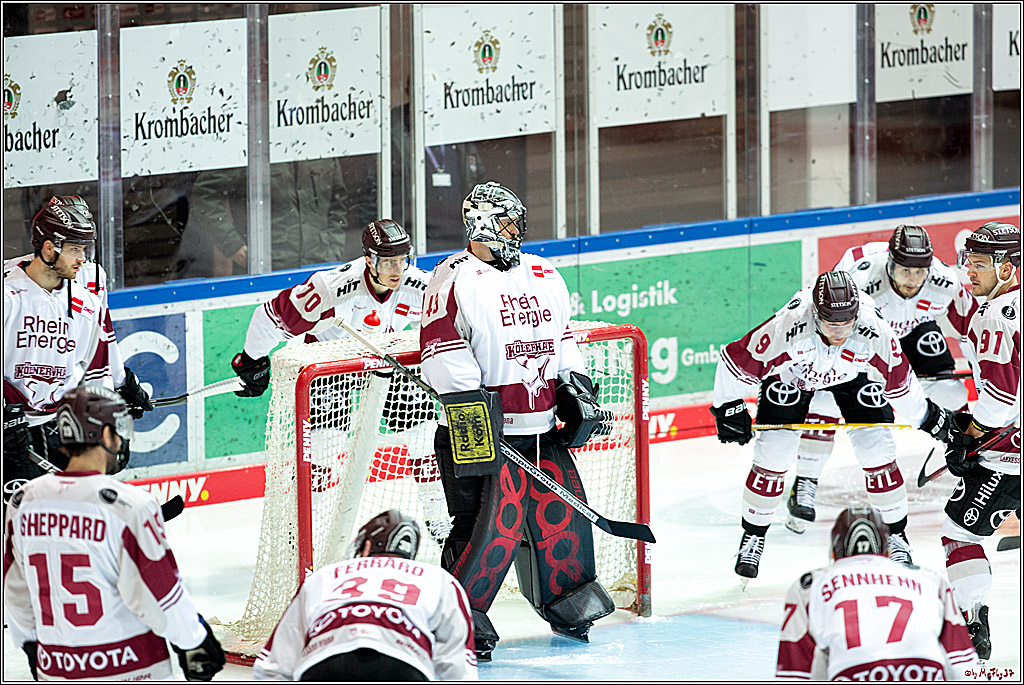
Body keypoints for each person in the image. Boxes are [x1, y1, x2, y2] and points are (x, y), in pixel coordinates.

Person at [419, 181, 616, 662]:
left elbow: (563, 339)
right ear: (482, 225)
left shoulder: (545, 273)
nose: (517, 230)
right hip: (478, 428)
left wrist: (575, 387)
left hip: (542, 426)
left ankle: (569, 600)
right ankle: (462, 617)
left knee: (562, 518)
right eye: (507, 221)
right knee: (484, 526)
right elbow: (441, 357)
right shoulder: (452, 279)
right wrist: (479, 418)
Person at [710, 270, 951, 582]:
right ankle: (752, 537)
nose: (838, 331)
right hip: (793, 376)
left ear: (855, 316)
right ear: (815, 313)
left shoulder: (874, 330)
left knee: (876, 448)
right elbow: (734, 360)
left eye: (845, 323)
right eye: (830, 323)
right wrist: (728, 406)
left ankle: (897, 537)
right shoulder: (790, 326)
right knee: (773, 453)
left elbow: (901, 385)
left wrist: (929, 419)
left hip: (852, 377)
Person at [2, 387, 225, 681]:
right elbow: (159, 593)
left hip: (55, 667)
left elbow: (14, 587)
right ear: (106, 436)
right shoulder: (130, 505)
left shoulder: (23, 502)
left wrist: (31, 643)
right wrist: (194, 640)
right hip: (130, 668)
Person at [786, 225, 979, 533]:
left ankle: (970, 460)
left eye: (920, 273)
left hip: (911, 328)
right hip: (860, 336)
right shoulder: (861, 280)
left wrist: (986, 382)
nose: (913, 281)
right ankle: (805, 480)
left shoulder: (943, 281)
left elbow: (974, 330)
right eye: (905, 272)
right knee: (827, 400)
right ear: (889, 263)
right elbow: (830, 328)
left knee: (953, 394)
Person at [4, 196, 152, 503]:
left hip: (56, 426)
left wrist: (110, 411)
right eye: (74, 249)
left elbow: (95, 373)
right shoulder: (9, 296)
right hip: (9, 428)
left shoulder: (87, 304)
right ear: (48, 248)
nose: (83, 258)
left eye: (85, 248)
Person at [252, 509, 477, 681]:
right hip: (403, 662)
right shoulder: (437, 578)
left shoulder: (325, 575)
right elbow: (458, 664)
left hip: (325, 659)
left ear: (367, 546)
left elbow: (274, 665)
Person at [939, 222, 1021, 661]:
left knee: (958, 535)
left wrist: (968, 436)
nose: (970, 272)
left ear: (1007, 268)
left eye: (980, 264)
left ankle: (973, 620)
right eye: (968, 262)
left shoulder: (991, 317)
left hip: (1010, 461)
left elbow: (997, 405)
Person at [775, 506, 979, 680]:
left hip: (853, 674)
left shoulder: (810, 584)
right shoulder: (930, 580)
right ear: (887, 551)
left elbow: (794, 673)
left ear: (834, 553)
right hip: (925, 673)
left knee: (825, 655)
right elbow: (965, 665)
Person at [230, 219, 429, 397]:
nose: (397, 271)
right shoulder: (331, 289)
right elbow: (270, 318)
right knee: (329, 436)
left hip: (387, 364)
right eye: (388, 263)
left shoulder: (421, 285)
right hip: (329, 369)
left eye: (403, 260)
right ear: (369, 261)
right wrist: (252, 360)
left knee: (419, 422)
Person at [183, 157, 377, 277]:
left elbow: (338, 203)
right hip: (266, 269)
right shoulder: (254, 145)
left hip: (320, 267)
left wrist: (332, 250)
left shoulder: (319, 146)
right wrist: (232, 245)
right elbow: (204, 194)